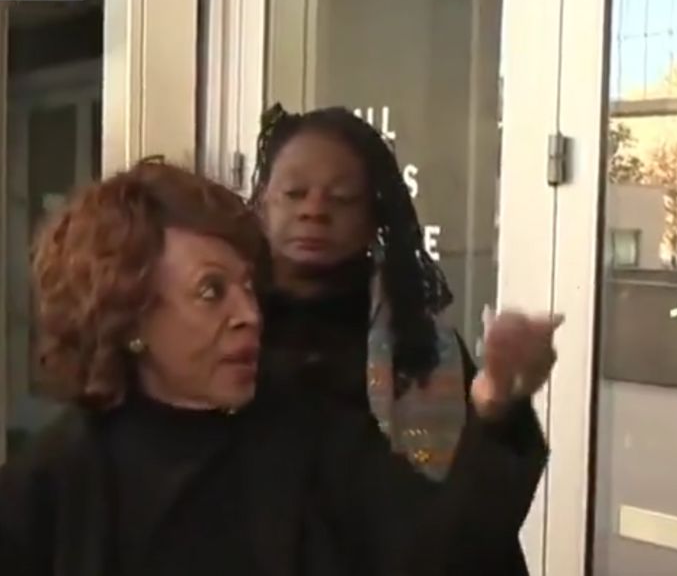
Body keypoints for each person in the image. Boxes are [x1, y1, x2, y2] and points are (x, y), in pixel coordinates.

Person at [0, 159, 549, 576]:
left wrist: (494, 402)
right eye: (212, 291)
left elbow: (438, 553)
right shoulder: (51, 482)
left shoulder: (309, 426)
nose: (249, 315)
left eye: (248, 287)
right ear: (131, 315)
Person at [250, 104, 554, 573]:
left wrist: (495, 409)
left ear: (376, 218)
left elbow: (470, 533)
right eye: (294, 192)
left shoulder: (421, 353)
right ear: (263, 202)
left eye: (342, 197)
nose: (314, 209)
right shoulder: (221, 338)